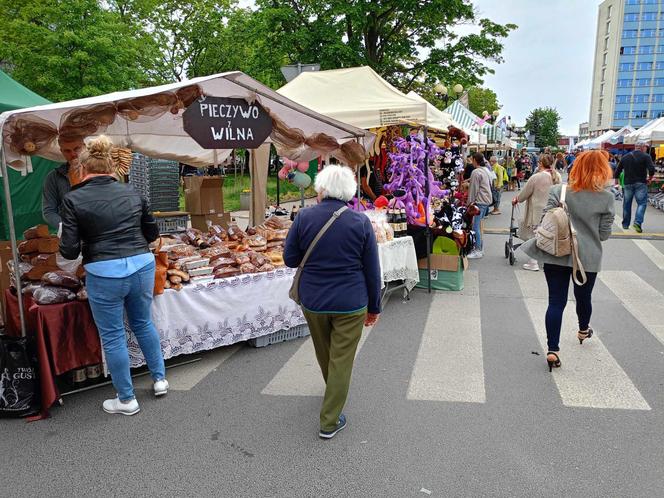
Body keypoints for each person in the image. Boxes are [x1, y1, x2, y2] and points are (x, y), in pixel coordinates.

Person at [59, 136, 167, 416]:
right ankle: (159, 379)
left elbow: (69, 252)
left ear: (82, 169)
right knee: (143, 323)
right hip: (142, 265)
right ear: (112, 167)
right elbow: (152, 235)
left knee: (114, 335)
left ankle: (127, 399)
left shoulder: (72, 199)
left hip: (104, 272)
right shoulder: (133, 193)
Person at [283, 165, 381, 440]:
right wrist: (375, 307)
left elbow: (290, 259)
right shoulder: (360, 222)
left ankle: (333, 393)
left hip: (313, 300)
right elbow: (373, 270)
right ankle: (329, 419)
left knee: (324, 352)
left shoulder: (303, 217)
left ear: (322, 189)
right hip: (351, 302)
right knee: (342, 358)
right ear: (348, 192)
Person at [520, 150, 615, 372]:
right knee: (584, 298)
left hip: (556, 253)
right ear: (603, 171)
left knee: (556, 302)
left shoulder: (559, 191)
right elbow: (603, 234)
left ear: (576, 168)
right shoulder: (607, 197)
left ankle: (553, 350)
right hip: (587, 258)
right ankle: (583, 329)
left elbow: (547, 221)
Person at [512, 154, 561, 271]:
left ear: (540, 164)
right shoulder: (557, 176)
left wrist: (516, 199)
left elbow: (524, 194)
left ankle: (533, 262)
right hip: (553, 211)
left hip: (538, 211)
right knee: (549, 234)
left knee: (535, 235)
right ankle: (547, 259)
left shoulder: (536, 177)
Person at [42, 136, 86, 230]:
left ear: (84, 146)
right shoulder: (53, 177)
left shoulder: (97, 171)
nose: (73, 154)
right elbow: (49, 211)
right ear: (61, 151)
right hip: (71, 234)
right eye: (67, 151)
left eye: (77, 149)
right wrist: (66, 227)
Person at [614, 143, 655, 232]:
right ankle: (637, 222)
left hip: (628, 183)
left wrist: (616, 183)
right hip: (641, 183)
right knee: (642, 203)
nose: (646, 149)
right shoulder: (646, 156)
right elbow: (652, 169)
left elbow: (617, 171)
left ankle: (625, 224)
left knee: (627, 204)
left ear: (635, 147)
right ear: (643, 147)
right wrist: (650, 178)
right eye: (646, 147)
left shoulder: (625, 157)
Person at [467, 152, 494, 259]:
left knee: (475, 226)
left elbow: (473, 189)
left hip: (480, 201)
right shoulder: (486, 170)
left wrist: (469, 203)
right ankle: (480, 248)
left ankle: (478, 250)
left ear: (474, 160)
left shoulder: (476, 172)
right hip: (486, 200)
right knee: (477, 225)